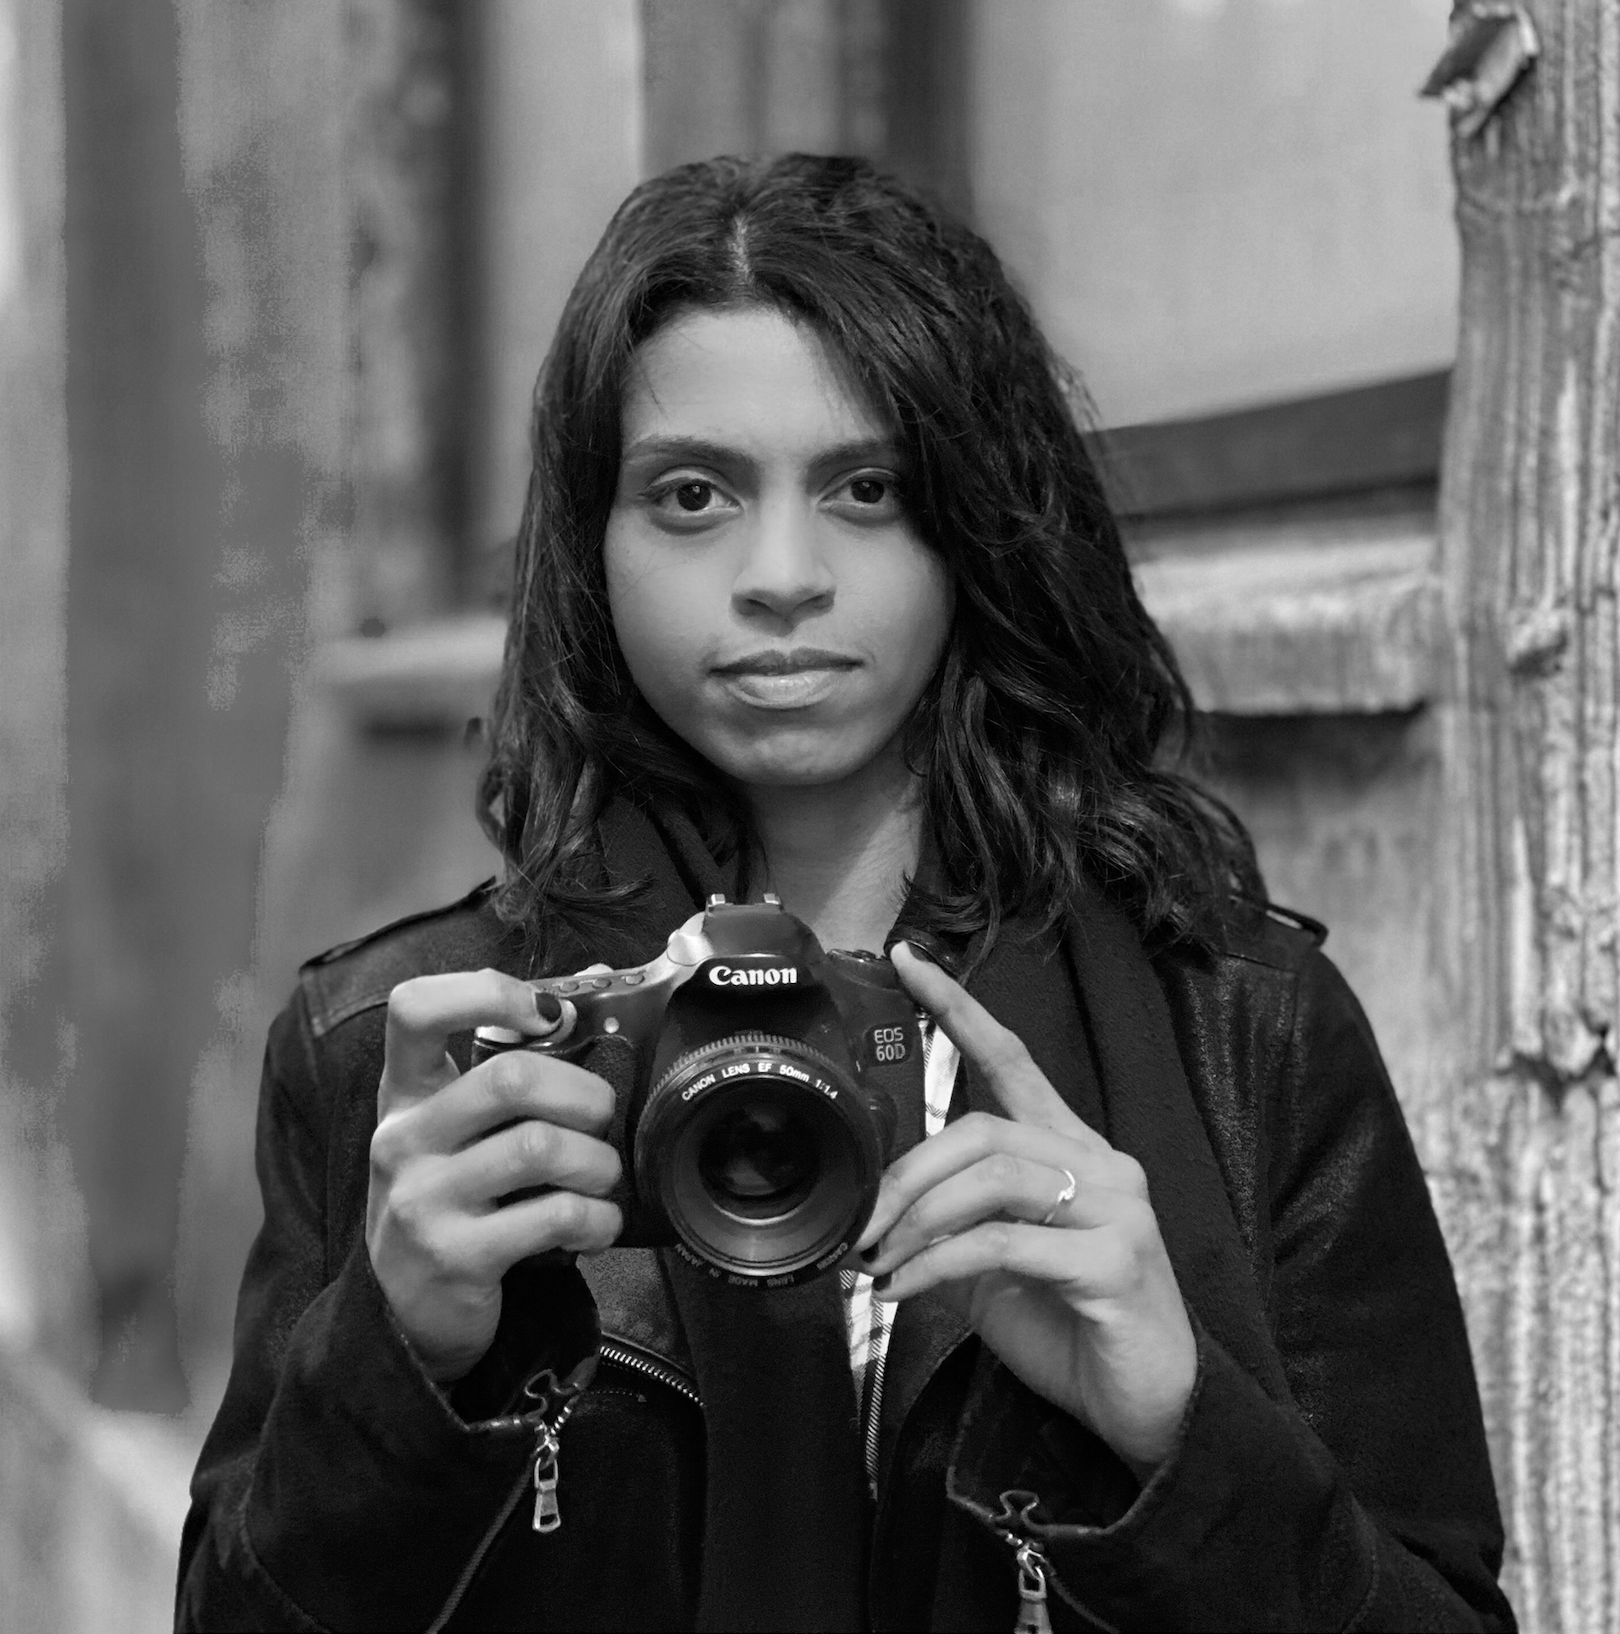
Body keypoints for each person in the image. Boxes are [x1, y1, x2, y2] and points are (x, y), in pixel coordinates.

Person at [175, 154, 1514, 1632]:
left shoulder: (1242, 1030)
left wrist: (1182, 1431)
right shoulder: (411, 1051)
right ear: (589, 544)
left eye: (867, 488)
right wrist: (390, 1362)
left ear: (977, 521)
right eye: (692, 494)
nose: (782, 576)